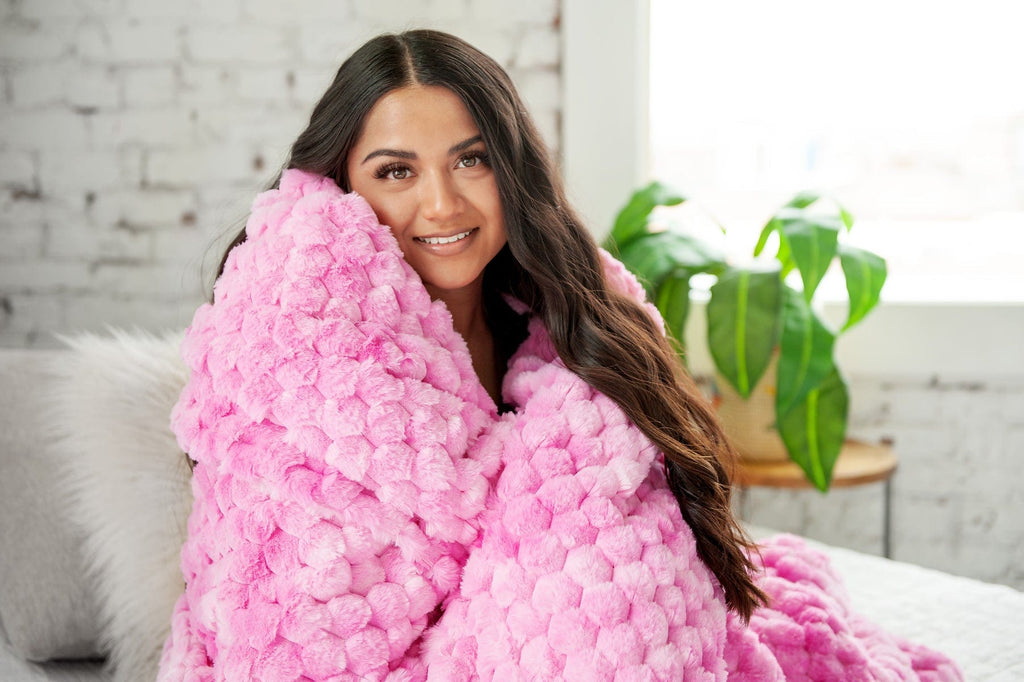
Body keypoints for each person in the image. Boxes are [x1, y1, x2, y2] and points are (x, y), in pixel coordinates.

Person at [159, 29, 960, 681]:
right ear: (341, 188)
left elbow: (637, 521)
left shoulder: (565, 319)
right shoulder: (299, 373)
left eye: (471, 159)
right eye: (396, 172)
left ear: (511, 170)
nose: (441, 203)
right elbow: (290, 634)